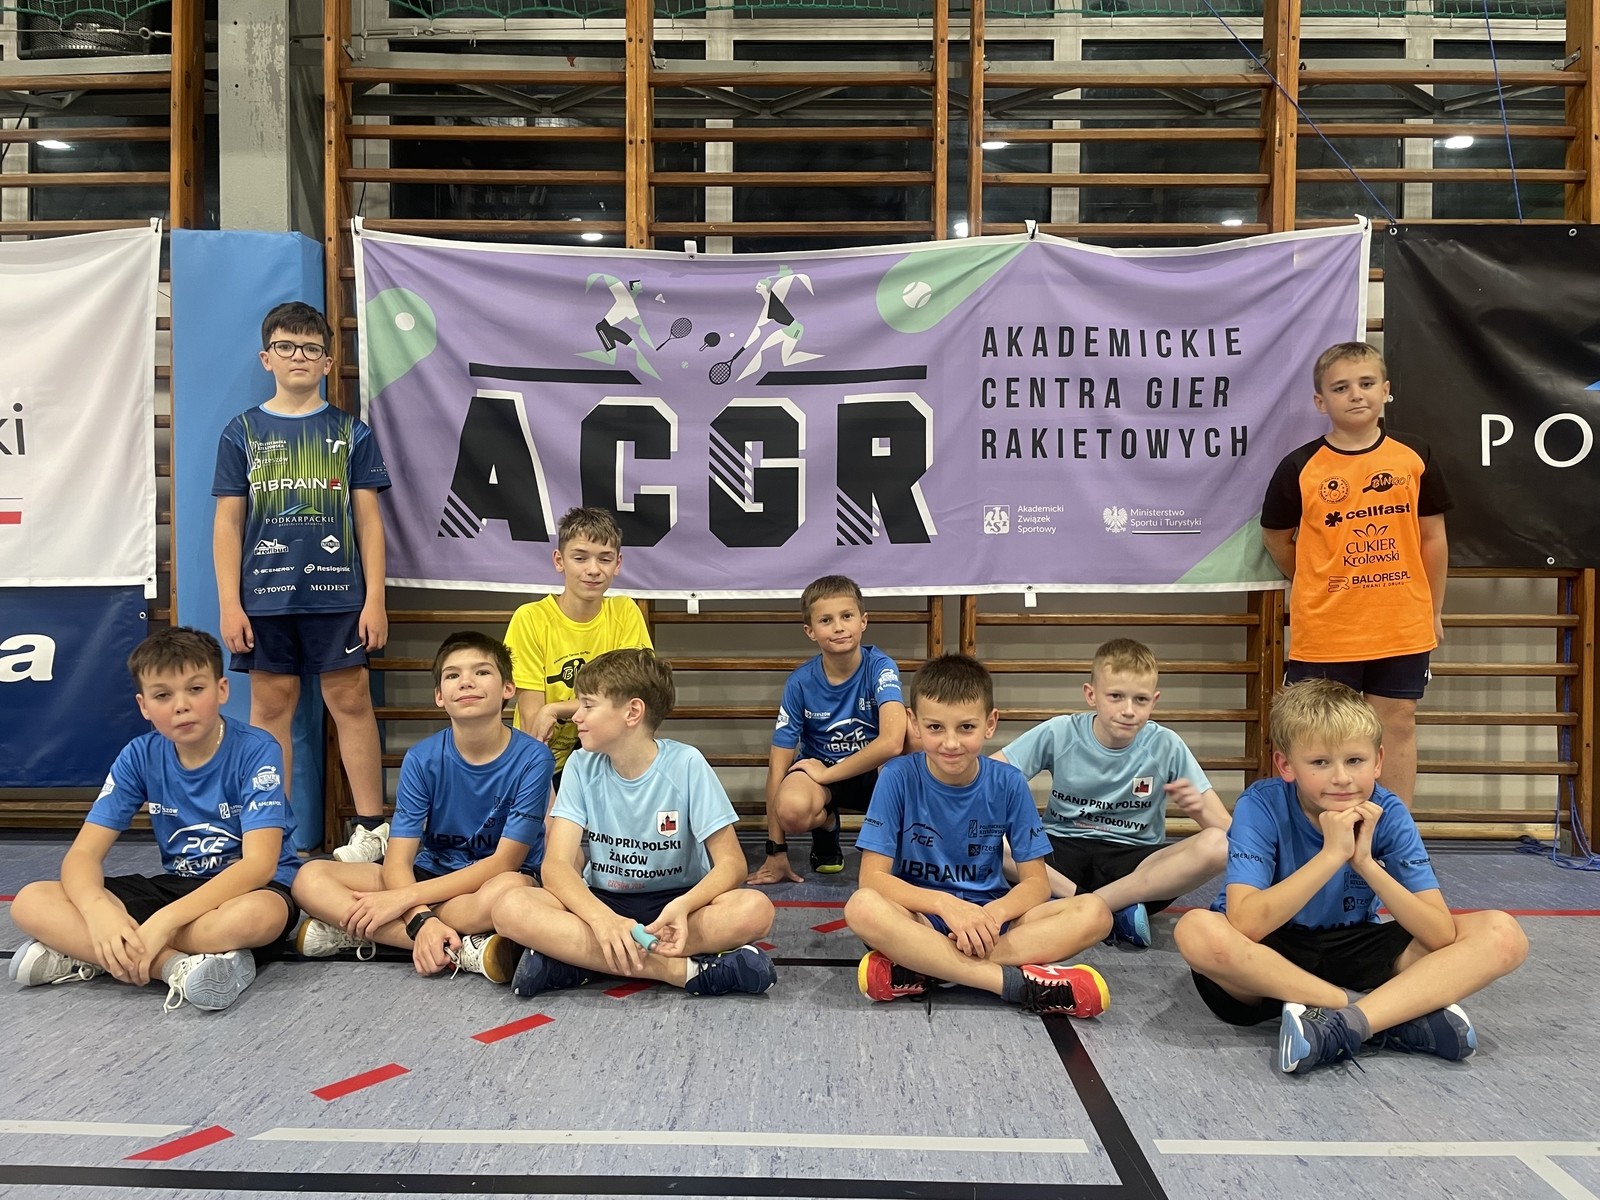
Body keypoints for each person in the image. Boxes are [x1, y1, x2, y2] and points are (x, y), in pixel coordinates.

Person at [1174, 679, 1527, 1075]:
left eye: (1355, 761)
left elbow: (1439, 933)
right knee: (1196, 930)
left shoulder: (1388, 812)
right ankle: (1371, 1014)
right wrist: (1331, 855)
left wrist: (1366, 864)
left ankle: (1345, 1024)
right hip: (1268, 960)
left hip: (1352, 944)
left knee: (1503, 934)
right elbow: (1246, 923)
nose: (1341, 777)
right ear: (1286, 766)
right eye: (1320, 763)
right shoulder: (1261, 804)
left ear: (1378, 761)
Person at [8, 628, 300, 1013]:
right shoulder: (138, 755)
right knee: (31, 901)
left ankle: (94, 953)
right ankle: (172, 966)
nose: (181, 706)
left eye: (195, 689)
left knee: (253, 918)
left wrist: (163, 921)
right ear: (144, 706)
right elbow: (83, 855)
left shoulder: (256, 748)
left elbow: (259, 865)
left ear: (222, 690)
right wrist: (98, 912)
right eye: (163, 695)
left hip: (249, 889)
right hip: (176, 886)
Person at [212, 300, 391, 861]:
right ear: (267, 357)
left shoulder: (350, 433)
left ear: (327, 362)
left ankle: (371, 830)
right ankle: (275, 838)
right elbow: (227, 524)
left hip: (340, 596)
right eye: (286, 346)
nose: (299, 356)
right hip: (264, 598)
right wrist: (230, 604)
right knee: (270, 709)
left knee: (351, 701)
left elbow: (369, 522)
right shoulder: (242, 432)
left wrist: (376, 599)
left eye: (311, 349)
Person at [493, 649, 777, 999]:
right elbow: (556, 865)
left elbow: (732, 865)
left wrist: (684, 905)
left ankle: (580, 962)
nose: (576, 716)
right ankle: (681, 972)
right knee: (509, 907)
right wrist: (602, 920)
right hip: (603, 901)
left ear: (632, 712)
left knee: (755, 910)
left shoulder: (686, 763)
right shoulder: (580, 766)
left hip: (677, 904)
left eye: (588, 705)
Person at [842, 653, 1113, 1017]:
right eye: (935, 727)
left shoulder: (1009, 782)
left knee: (1096, 913)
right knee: (862, 907)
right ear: (914, 724)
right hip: (922, 916)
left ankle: (925, 965)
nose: (951, 743)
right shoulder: (896, 777)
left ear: (990, 723)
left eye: (966, 727)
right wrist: (945, 905)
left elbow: (1036, 884)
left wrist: (993, 914)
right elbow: (872, 879)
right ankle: (1011, 984)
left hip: (993, 921)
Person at [289, 632, 552, 983]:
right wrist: (420, 919)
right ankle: (457, 947)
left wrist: (404, 901)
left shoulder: (534, 758)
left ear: (508, 688)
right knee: (309, 877)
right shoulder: (421, 758)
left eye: (482, 672)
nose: (467, 682)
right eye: (453, 675)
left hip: (492, 881)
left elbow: (504, 862)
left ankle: (362, 931)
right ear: (439, 696)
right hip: (431, 875)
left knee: (509, 892)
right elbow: (398, 861)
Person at [1260, 340, 1452, 805]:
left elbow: (1432, 538)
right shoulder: (1300, 467)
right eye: (1341, 387)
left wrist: (1433, 611)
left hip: (1401, 623)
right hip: (1327, 627)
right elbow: (1275, 538)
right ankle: (1315, 835)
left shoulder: (1414, 454)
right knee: (1316, 732)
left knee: (1397, 722)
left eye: (1366, 383)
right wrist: (1316, 580)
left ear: (1385, 390)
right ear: (1320, 401)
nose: (1356, 394)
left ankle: (1392, 832)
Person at [995, 638, 1230, 948]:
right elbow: (988, 778)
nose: (1128, 710)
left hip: (1135, 868)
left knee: (1219, 845)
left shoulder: (1166, 744)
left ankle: (1087, 905)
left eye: (1140, 700)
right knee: (988, 836)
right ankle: (1098, 906)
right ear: (1091, 695)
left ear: (1154, 701)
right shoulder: (1060, 731)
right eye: (1116, 696)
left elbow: (1232, 834)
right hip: (1059, 854)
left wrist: (1199, 810)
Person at [748, 575, 908, 885]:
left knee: (912, 734)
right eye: (826, 620)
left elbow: (892, 743)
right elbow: (777, 767)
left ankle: (904, 846)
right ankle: (827, 825)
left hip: (872, 774)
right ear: (810, 631)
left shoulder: (881, 667)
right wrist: (776, 849)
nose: (838, 627)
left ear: (863, 621)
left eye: (847, 616)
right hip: (823, 776)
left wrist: (828, 774)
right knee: (791, 808)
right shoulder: (800, 682)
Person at [504, 506, 652, 795]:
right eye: (580, 557)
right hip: (547, 764)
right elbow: (534, 720)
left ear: (618, 563)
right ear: (559, 560)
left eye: (605, 559)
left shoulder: (625, 612)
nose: (593, 569)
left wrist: (556, 708)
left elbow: (631, 698)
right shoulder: (530, 619)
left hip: (608, 759)